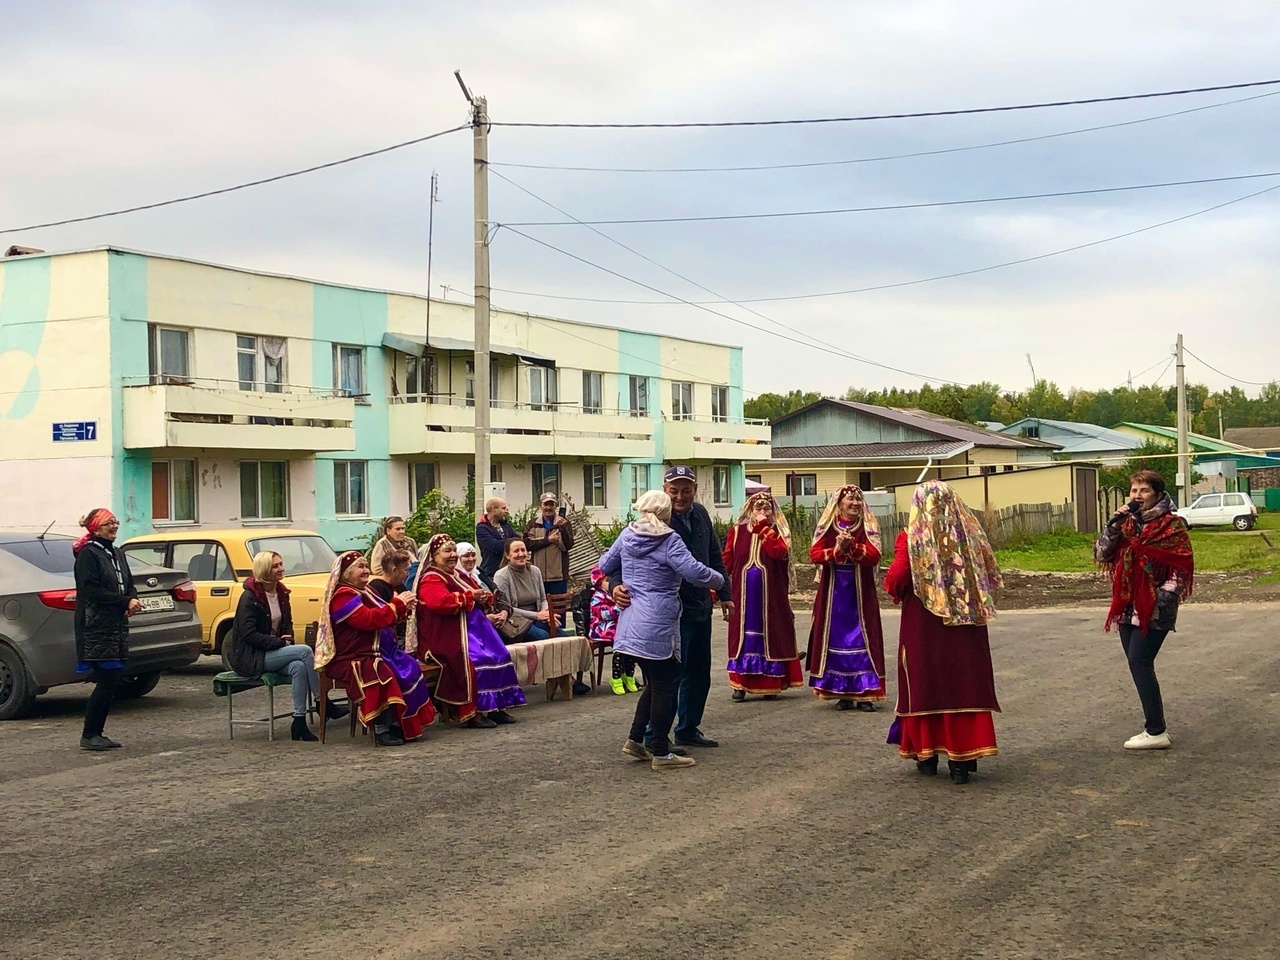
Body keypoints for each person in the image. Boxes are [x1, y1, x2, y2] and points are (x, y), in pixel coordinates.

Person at [884, 481, 1002, 785]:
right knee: (963, 683)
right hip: (967, 627)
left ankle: (927, 752)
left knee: (926, 681)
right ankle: (964, 758)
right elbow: (990, 575)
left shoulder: (912, 539)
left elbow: (897, 579)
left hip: (924, 625)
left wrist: (896, 587)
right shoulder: (970, 536)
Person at [608, 465, 733, 750]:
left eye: (686, 490)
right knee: (668, 678)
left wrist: (724, 592)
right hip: (671, 613)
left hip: (700, 606)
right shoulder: (651, 523)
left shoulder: (700, 514)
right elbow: (616, 563)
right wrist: (615, 586)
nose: (680, 496)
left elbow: (714, 554)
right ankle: (655, 736)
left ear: (694, 490)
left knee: (699, 673)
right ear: (665, 490)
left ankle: (688, 728)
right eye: (674, 490)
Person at [1095, 469, 1194, 751]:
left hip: (1154, 608)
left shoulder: (1171, 525)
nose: (1137, 496)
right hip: (1126, 604)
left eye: (1144, 491)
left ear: (1158, 494)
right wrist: (1112, 526)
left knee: (1140, 661)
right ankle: (1154, 727)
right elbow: (1102, 554)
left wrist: (1156, 601)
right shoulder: (1126, 524)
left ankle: (1156, 730)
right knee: (1137, 663)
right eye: (1134, 491)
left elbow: (1181, 570)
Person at [314, 551, 435, 746]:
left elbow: (386, 615)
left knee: (409, 666)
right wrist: (397, 604)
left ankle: (401, 723)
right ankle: (381, 727)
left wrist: (404, 607)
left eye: (366, 566)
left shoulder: (367, 591)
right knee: (380, 672)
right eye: (360, 567)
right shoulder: (342, 596)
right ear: (346, 573)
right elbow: (368, 620)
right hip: (353, 657)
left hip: (377, 652)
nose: (366, 570)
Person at [228, 551, 349, 742]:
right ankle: (322, 703)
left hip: (274, 651)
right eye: (275, 566)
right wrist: (279, 642)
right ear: (264, 570)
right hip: (251, 656)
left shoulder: (282, 593)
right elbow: (248, 634)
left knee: (299, 667)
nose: (281, 569)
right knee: (305, 651)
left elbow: (287, 624)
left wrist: (287, 639)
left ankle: (298, 721)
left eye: (281, 564)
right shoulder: (249, 597)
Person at [409, 534, 526, 728]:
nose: (453, 555)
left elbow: (477, 592)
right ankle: (472, 712)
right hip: (446, 635)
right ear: (434, 555)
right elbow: (439, 602)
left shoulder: (457, 574)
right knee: (477, 660)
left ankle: (496, 706)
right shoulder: (430, 578)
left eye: (454, 550)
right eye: (447, 551)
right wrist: (469, 597)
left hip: (471, 631)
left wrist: (485, 598)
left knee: (500, 654)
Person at [806, 486, 886, 712]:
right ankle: (842, 692)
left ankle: (865, 694)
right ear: (839, 503)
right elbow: (814, 554)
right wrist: (837, 550)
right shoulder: (828, 527)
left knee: (864, 639)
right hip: (834, 595)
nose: (855, 503)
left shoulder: (868, 527)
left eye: (858, 499)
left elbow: (874, 556)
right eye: (850, 499)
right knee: (836, 640)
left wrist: (854, 547)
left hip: (860, 595)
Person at [722, 491, 804, 701]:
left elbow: (778, 553)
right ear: (750, 510)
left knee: (771, 636)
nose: (762, 512)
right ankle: (740, 684)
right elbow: (727, 562)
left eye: (766, 508)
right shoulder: (737, 531)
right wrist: (717, 588)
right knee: (742, 637)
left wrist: (763, 529)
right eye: (758, 508)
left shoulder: (779, 531)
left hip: (770, 597)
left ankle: (770, 682)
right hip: (743, 597)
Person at [72, 508, 138, 751]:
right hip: (95, 626)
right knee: (107, 679)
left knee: (112, 679)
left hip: (115, 625)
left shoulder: (117, 553)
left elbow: (128, 583)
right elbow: (91, 590)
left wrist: (131, 600)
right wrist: (123, 601)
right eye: (109, 523)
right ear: (96, 528)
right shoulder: (89, 555)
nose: (115, 526)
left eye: (116, 522)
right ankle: (90, 734)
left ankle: (95, 733)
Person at [493, 539, 568, 642]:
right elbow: (508, 607)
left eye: (523, 550)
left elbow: (543, 599)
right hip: (516, 621)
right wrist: (537, 615)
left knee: (565, 638)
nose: (521, 554)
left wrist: (547, 614)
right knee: (543, 637)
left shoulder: (535, 571)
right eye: (516, 551)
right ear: (507, 555)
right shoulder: (501, 576)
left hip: (537, 618)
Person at [589, 565, 636, 695]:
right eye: (607, 581)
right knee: (619, 647)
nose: (611, 583)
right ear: (599, 582)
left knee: (632, 645)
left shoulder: (617, 593)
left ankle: (629, 675)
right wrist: (619, 608)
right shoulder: (598, 597)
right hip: (602, 630)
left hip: (618, 628)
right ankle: (616, 678)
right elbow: (603, 615)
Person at [455, 541, 515, 635]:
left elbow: (498, 593)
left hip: (501, 619)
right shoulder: (456, 580)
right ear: (457, 558)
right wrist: (485, 618)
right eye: (466, 556)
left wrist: (504, 612)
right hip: (477, 627)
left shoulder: (479, 573)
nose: (471, 559)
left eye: (473, 555)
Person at [524, 493, 575, 595]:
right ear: (540, 506)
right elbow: (527, 544)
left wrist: (563, 528)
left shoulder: (564, 523)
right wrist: (548, 540)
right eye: (546, 504)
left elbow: (568, 545)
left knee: (558, 609)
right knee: (540, 608)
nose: (548, 508)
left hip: (558, 577)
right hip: (538, 576)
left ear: (555, 506)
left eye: (551, 505)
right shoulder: (533, 524)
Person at [368, 548, 414, 648]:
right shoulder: (375, 588)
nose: (408, 574)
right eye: (406, 570)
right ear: (394, 570)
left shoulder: (400, 586)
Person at [475, 497, 519, 589]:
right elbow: (495, 546)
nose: (506, 511)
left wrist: (507, 542)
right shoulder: (482, 528)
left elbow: (518, 539)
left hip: (510, 570)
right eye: (503, 508)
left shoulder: (505, 525)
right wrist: (511, 541)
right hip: (492, 572)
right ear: (494, 509)